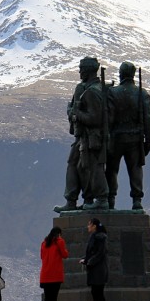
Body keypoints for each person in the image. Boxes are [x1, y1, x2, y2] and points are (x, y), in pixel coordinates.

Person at [54, 57, 109, 212]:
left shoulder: (92, 92)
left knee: (92, 168)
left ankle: (100, 199)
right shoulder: (85, 88)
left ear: (88, 70)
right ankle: (72, 200)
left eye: (81, 68)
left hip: (91, 137)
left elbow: (94, 118)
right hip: (82, 137)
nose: (79, 71)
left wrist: (76, 113)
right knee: (74, 165)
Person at [105, 61, 150, 210]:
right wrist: (148, 141)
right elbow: (148, 120)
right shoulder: (142, 93)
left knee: (112, 170)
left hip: (116, 138)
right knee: (135, 169)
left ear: (121, 74)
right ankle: (137, 200)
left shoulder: (113, 92)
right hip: (135, 138)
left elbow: (109, 118)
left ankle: (110, 199)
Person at [80, 218, 108, 301]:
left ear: (94, 226)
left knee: (98, 293)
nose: (88, 226)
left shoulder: (100, 237)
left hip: (99, 270)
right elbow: (91, 253)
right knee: (95, 293)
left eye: (89, 224)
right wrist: (85, 260)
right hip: (94, 270)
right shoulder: (94, 237)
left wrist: (90, 261)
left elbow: (100, 253)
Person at [40, 227, 69, 301]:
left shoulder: (43, 243)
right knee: (53, 297)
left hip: (45, 275)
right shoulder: (60, 242)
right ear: (59, 234)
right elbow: (65, 255)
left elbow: (42, 257)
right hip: (55, 274)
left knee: (47, 297)